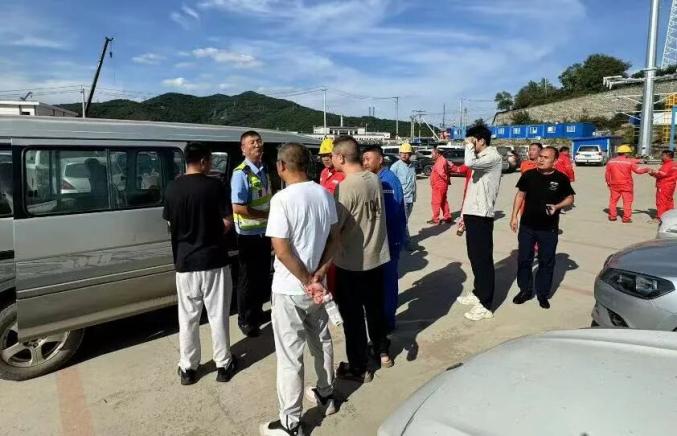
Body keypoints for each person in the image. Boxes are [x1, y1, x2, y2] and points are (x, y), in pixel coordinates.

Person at [260, 143, 338, 436]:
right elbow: (335, 239)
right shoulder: (323, 194)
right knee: (322, 342)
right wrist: (319, 275)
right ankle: (327, 394)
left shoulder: (281, 199)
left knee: (290, 357)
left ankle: (290, 422)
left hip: (290, 288)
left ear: (281, 166)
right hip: (317, 286)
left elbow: (281, 250)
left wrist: (307, 279)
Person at [163, 143, 237, 385]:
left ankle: (188, 368)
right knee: (218, 315)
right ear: (204, 161)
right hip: (213, 260)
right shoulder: (215, 186)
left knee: (187, 318)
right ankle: (223, 364)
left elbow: (170, 224)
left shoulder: (172, 188)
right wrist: (211, 231)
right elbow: (227, 222)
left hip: (185, 263)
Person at [331, 135, 392, 381]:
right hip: (376, 257)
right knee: (375, 309)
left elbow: (335, 228)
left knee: (353, 318)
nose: (331, 159)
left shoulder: (345, 187)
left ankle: (358, 366)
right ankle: (382, 351)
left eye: (333, 155)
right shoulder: (374, 179)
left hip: (353, 263)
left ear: (341, 157)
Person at [510, 147, 575, 309]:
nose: (541, 159)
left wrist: (557, 206)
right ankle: (525, 290)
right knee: (524, 259)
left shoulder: (561, 178)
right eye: (540, 156)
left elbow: (570, 198)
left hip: (548, 228)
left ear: (555, 161)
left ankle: (542, 294)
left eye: (546, 157)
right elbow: (520, 195)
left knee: (546, 261)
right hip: (527, 226)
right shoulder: (528, 175)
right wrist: (514, 217)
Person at [455, 125, 503, 321]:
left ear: (481, 140)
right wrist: (463, 215)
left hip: (482, 215)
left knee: (483, 260)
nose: (469, 143)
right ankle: (478, 292)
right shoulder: (481, 158)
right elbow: (472, 189)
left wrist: (468, 146)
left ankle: (486, 304)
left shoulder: (492, 156)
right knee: (474, 257)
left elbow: (469, 163)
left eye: (472, 140)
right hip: (472, 213)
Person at [231, 130, 273, 337]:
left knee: (262, 276)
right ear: (243, 149)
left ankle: (257, 312)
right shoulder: (241, 173)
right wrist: (265, 215)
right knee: (247, 279)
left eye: (258, 141)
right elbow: (238, 207)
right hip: (248, 235)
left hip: (264, 232)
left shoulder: (264, 169)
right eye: (252, 142)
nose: (257, 145)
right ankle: (245, 319)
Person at [363, 145, 407, 333]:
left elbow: (388, 215)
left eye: (368, 159)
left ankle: (387, 322)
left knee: (387, 282)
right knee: (382, 282)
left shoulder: (387, 181)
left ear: (380, 159)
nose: (365, 163)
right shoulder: (378, 179)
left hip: (389, 240)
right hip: (384, 240)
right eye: (363, 159)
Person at [605, 144, 651, 223]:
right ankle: (626, 218)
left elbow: (607, 174)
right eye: (628, 153)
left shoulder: (611, 161)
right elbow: (638, 171)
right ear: (626, 153)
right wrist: (647, 169)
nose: (629, 154)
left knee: (613, 201)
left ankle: (612, 216)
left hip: (614, 184)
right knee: (627, 202)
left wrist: (608, 182)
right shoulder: (629, 162)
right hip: (626, 185)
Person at [390, 142, 417, 251]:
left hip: (411, 198)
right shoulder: (395, 167)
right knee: (403, 221)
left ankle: (397, 237)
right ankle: (407, 242)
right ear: (399, 153)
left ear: (410, 154)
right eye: (402, 153)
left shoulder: (412, 166)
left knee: (403, 221)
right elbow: (391, 183)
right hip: (402, 199)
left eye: (407, 153)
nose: (404, 155)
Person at [427, 146, 452, 225]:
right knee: (443, 201)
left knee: (435, 202)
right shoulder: (442, 160)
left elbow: (442, 173)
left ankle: (435, 219)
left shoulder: (440, 161)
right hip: (441, 185)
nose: (431, 155)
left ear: (437, 154)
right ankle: (447, 217)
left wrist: (445, 180)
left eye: (432, 154)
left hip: (439, 186)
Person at [650, 150, 677, 222]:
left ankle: (660, 217)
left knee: (661, 201)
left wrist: (653, 173)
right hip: (671, 185)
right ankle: (670, 216)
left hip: (663, 185)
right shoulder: (674, 164)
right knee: (669, 200)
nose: (661, 157)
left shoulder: (667, 165)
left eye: (663, 155)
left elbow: (662, 174)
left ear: (667, 156)